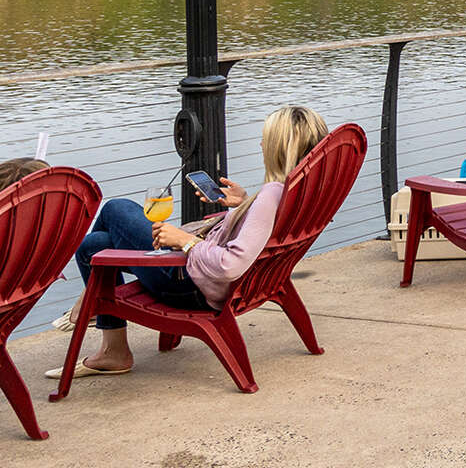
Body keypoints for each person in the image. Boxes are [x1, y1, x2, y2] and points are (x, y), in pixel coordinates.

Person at [52, 105, 330, 380]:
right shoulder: (301, 190)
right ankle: (110, 343)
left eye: (265, 140)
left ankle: (91, 303)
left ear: (279, 148)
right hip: (215, 277)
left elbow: (230, 266)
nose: (260, 144)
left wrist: (185, 241)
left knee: (116, 208)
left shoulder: (271, 195)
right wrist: (245, 204)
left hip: (187, 282)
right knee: (95, 244)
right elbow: (263, 233)